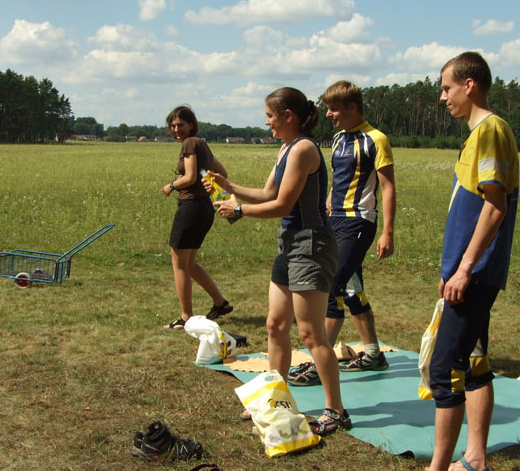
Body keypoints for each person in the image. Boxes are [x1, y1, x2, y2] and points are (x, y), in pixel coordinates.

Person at [388, 52, 519, 471]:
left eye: (446, 88)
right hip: (467, 273)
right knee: (474, 363)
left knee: (444, 371)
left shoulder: (491, 130)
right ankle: (475, 460)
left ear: (470, 85)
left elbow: (495, 205)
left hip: (475, 276)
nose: (442, 97)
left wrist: (464, 268)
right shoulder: (476, 135)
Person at [207, 88, 351, 436]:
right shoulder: (286, 148)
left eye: (270, 115)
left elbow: (283, 205)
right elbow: (268, 194)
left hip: (311, 246)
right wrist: (231, 187)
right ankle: (277, 397)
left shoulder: (303, 148)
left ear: (288, 115)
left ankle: (336, 410)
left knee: (311, 333)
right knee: (275, 325)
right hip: (289, 245)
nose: (266, 121)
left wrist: (237, 209)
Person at [286, 80, 396, 387]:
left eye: (335, 108)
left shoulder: (377, 139)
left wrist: (387, 231)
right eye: (328, 108)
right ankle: (373, 353)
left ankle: (319, 363)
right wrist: (329, 202)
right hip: (335, 220)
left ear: (353, 107)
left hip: (360, 222)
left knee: (330, 285)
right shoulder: (338, 139)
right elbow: (341, 178)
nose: (330, 114)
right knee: (350, 286)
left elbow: (387, 186)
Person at [162, 105, 233, 329]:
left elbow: (190, 176)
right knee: (190, 264)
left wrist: (171, 185)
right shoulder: (201, 144)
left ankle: (185, 317)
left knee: (179, 264)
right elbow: (222, 172)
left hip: (191, 206)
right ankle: (220, 303)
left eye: (180, 125)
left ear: (191, 124)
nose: (176, 130)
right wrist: (209, 185)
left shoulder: (190, 143)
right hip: (204, 207)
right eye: (172, 126)